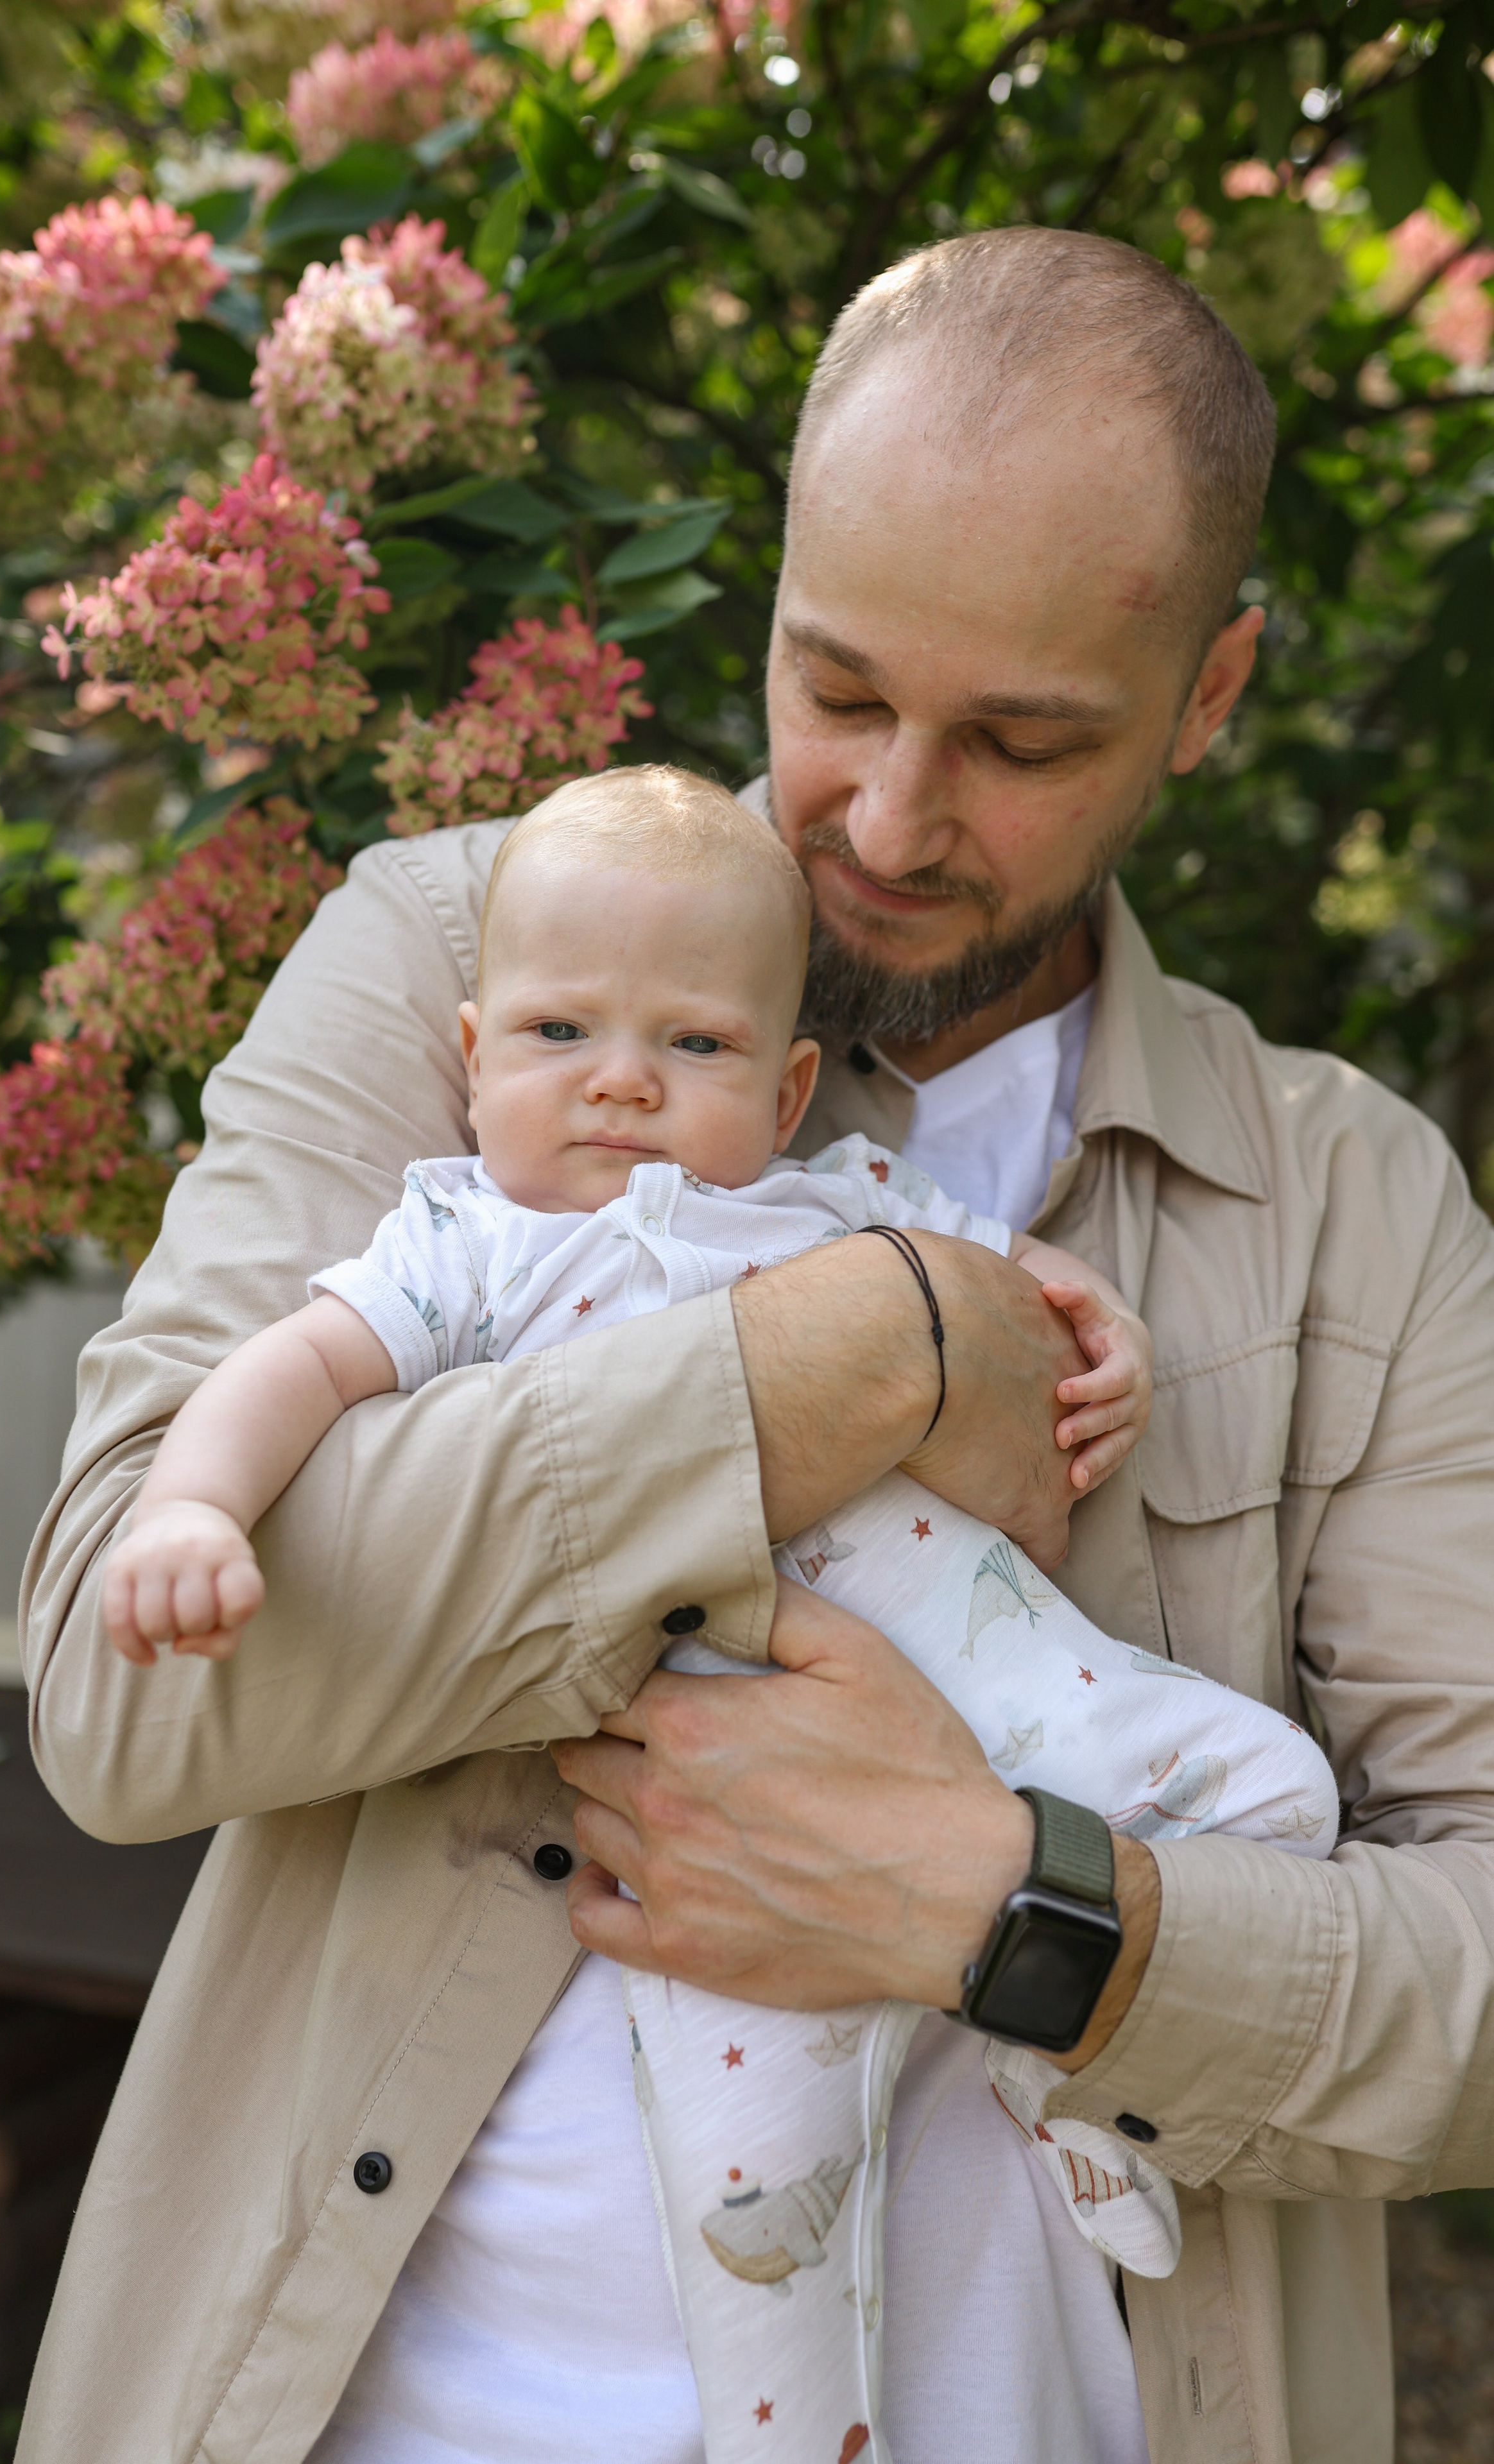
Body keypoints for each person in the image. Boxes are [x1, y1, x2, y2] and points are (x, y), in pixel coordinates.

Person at [15, 228, 1494, 2464]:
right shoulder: (465, 963)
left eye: (1021, 740)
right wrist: (845, 1360)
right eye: (838, 692)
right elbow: (118, 1697)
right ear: (777, 599)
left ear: (1209, 696)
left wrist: (1018, 1920)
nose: (889, 825)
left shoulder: (1352, 1207)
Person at [93, 762, 1337, 2461]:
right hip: (706, 1794)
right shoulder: (465, 1251)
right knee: (771, 2200)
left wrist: (1093, 1326)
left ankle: (1083, 2089)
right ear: (469, 1061)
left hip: (998, 1702)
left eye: (693, 1049)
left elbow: (1012, 1282)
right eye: (556, 1039)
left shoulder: (827, 1205)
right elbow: (293, 1370)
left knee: (1273, 1798)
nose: (621, 1084)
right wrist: (192, 1508)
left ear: (789, 1083)